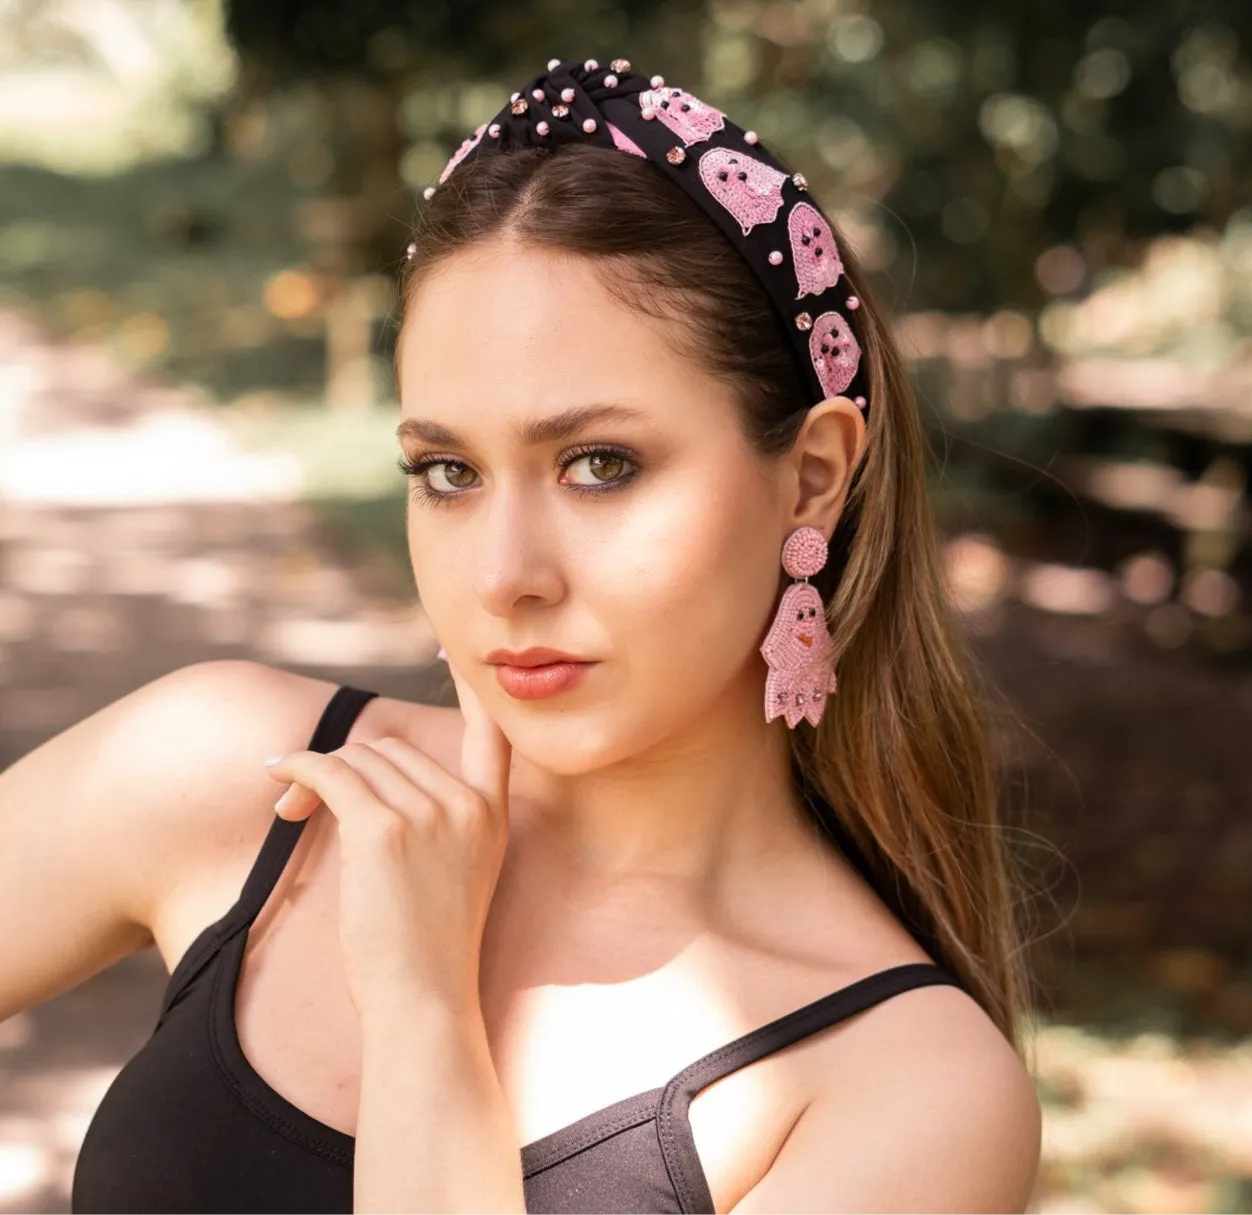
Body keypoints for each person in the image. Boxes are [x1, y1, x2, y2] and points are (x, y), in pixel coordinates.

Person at [0, 56, 1042, 1215]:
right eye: (447, 472)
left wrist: (422, 1012)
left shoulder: (909, 1095)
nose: (502, 577)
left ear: (808, 479)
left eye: (599, 466)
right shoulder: (237, 778)